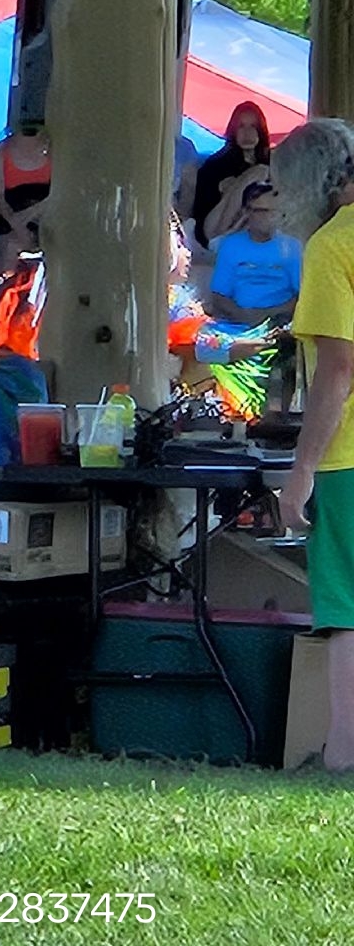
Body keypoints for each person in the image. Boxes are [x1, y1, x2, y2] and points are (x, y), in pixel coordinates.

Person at [275, 117, 354, 773]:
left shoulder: (332, 245)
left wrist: (300, 470)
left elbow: (338, 367)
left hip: (351, 456)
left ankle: (343, 755)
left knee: (348, 607)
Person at [207, 182, 301, 329]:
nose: (270, 217)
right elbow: (219, 296)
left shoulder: (292, 247)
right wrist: (244, 316)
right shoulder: (230, 246)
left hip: (281, 325)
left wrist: (269, 315)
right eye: (262, 211)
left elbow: (301, 295)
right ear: (247, 212)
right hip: (238, 325)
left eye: (274, 211)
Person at [191, 101, 271, 250]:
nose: (247, 133)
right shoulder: (214, 167)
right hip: (220, 236)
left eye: (253, 126)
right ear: (233, 130)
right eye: (241, 126)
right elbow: (202, 224)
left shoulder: (272, 164)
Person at [0, 123, 51, 240]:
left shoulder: (56, 150)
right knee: (12, 247)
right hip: (13, 219)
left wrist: (35, 211)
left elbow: (65, 190)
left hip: (51, 213)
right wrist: (18, 227)